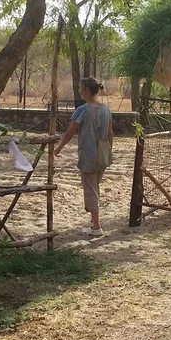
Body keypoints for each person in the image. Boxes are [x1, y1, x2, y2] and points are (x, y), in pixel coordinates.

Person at [55, 77, 114, 236]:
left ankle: (96, 226)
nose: (79, 91)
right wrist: (109, 151)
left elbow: (70, 133)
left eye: (81, 88)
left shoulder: (82, 109)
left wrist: (58, 148)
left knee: (90, 190)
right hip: (103, 154)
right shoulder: (106, 109)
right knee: (95, 187)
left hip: (88, 154)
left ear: (87, 90)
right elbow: (110, 133)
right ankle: (94, 221)